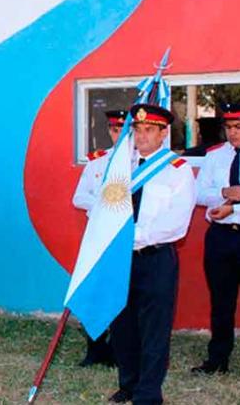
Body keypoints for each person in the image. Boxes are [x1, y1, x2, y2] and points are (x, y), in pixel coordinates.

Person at [108, 104, 196, 404]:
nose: (142, 136)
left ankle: (148, 393)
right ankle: (128, 384)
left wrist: (133, 236)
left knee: (154, 328)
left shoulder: (177, 171)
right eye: (137, 130)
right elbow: (105, 207)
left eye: (148, 130)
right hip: (120, 260)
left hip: (155, 258)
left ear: (163, 133)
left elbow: (177, 224)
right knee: (122, 324)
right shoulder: (121, 168)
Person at [191, 103, 240, 387]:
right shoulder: (214, 156)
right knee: (221, 301)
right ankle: (217, 359)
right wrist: (223, 192)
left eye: (239, 127)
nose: (233, 133)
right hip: (221, 238)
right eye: (229, 127)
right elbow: (199, 194)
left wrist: (235, 209)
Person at [72, 110, 126, 367]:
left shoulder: (138, 163)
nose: (118, 134)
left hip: (124, 241)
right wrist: (102, 206)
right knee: (94, 292)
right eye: (114, 130)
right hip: (97, 240)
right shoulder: (97, 162)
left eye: (123, 130)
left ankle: (118, 349)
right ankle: (95, 348)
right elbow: (78, 197)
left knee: (122, 295)